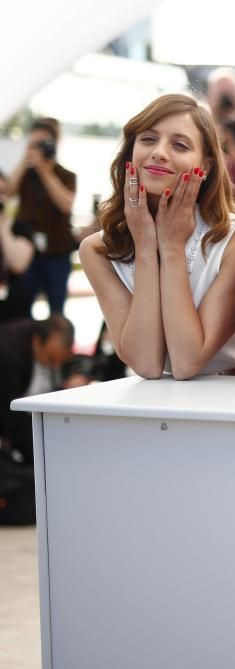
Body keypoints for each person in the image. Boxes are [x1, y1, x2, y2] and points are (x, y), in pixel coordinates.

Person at [80, 94, 235, 380]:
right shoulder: (96, 250)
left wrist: (171, 248)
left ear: (205, 166)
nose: (159, 152)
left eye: (179, 145)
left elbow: (186, 362)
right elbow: (146, 364)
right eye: (148, 139)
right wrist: (145, 246)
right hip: (149, 411)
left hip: (227, 405)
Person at [0, 315, 76, 525]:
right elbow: (12, 420)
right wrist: (42, 461)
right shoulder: (8, 354)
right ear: (37, 341)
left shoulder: (41, 345)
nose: (52, 366)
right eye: (50, 361)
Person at [7, 118, 76, 315]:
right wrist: (25, 158)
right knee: (19, 307)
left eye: (43, 143)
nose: (38, 147)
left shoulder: (65, 175)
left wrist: (45, 171)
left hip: (57, 252)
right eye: (33, 143)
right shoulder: (26, 175)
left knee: (56, 308)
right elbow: (8, 191)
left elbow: (65, 205)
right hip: (26, 252)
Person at [0, 170, 35, 323]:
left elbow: (18, 264)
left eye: (2, 192)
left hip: (14, 317)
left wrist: (3, 227)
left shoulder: (20, 228)